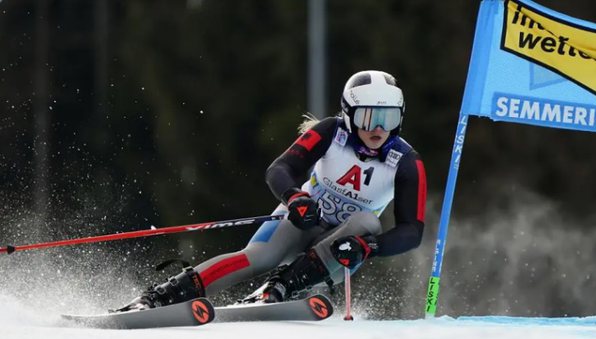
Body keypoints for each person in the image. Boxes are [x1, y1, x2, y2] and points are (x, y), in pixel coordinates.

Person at [119, 70, 427, 311]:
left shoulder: (406, 162)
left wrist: (368, 248)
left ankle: (283, 287)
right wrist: (295, 197)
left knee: (368, 223)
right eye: (369, 117)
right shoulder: (331, 132)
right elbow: (279, 170)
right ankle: (165, 295)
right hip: (302, 218)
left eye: (388, 118)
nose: (378, 129)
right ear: (349, 114)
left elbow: (412, 231)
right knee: (258, 257)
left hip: (336, 252)